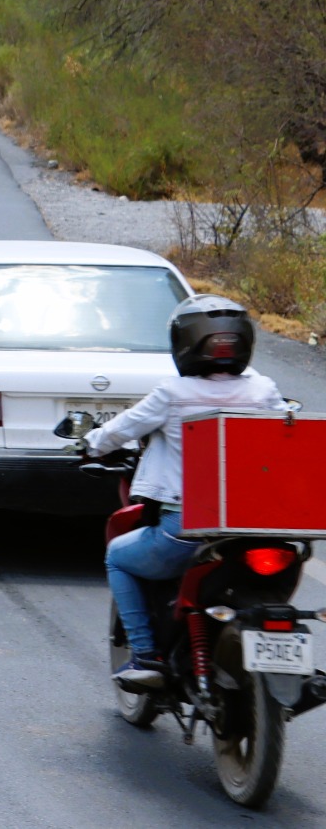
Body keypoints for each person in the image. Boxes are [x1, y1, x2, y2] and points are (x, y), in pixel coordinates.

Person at [82, 295, 287, 691]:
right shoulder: (263, 390)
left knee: (118, 558)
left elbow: (120, 431)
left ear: (185, 342)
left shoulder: (172, 393)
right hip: (257, 528)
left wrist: (90, 443)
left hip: (186, 528)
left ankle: (145, 656)